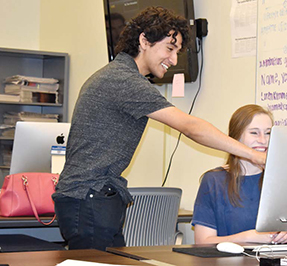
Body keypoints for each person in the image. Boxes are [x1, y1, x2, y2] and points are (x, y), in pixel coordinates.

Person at [52, 7, 266, 251]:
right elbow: (191, 127)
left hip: (92, 197)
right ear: (144, 41)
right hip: (89, 198)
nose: (174, 60)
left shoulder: (118, 76)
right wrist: (254, 155)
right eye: (169, 48)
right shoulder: (124, 80)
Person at [192, 105, 287, 244]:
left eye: (268, 133)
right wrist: (246, 238)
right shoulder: (214, 181)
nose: (263, 140)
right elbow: (202, 241)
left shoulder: (282, 178)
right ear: (235, 138)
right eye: (254, 133)